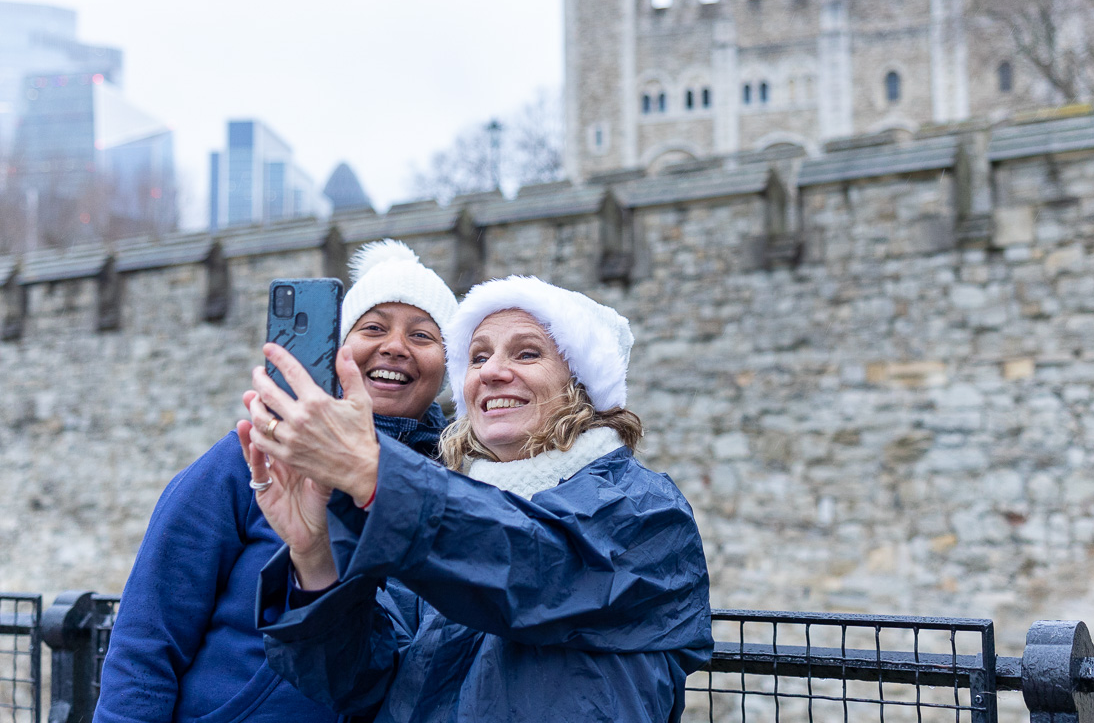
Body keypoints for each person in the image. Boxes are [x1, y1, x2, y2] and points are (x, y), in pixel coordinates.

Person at [243, 275, 712, 723]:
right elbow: (357, 681)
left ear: (583, 385)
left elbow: (529, 565)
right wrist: (315, 556)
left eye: (527, 353)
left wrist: (374, 473)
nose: (491, 372)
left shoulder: (647, 509)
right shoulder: (442, 520)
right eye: (477, 357)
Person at [94, 239, 457, 723]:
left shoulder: (460, 485)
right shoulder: (254, 455)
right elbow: (148, 634)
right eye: (373, 327)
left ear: (447, 363)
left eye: (422, 335)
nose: (395, 346)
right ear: (339, 349)